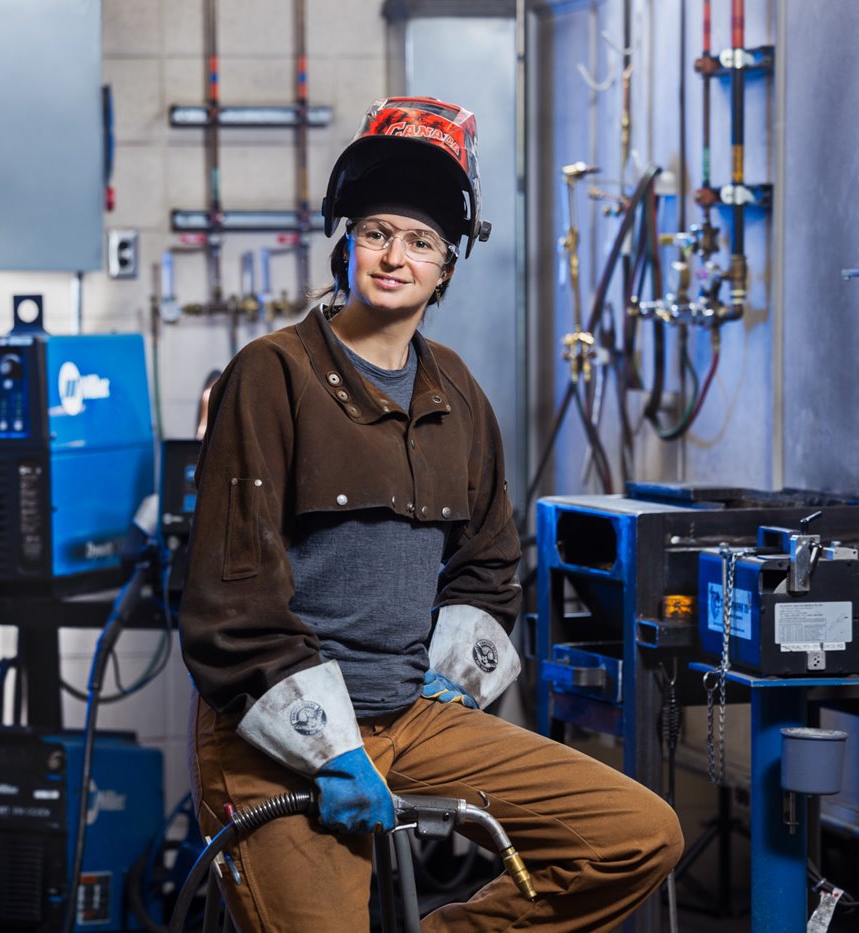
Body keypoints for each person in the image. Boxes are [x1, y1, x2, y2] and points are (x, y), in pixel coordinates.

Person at [178, 97, 683, 932]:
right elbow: (234, 598)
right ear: (346, 245)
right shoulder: (272, 374)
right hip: (277, 747)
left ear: (445, 269)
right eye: (377, 231)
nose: (394, 256)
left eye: (419, 241)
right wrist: (331, 749)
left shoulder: (455, 390)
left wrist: (455, 682)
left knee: (635, 833)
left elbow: (488, 564)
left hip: (415, 716)